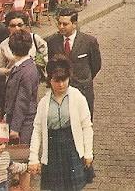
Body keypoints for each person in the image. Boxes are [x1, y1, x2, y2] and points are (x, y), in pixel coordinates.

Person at [28, 55, 94, 191]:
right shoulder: (44, 102)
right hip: (52, 149)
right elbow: (37, 130)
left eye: (64, 80)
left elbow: (86, 127)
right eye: (57, 81)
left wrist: (88, 153)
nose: (61, 85)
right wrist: (33, 157)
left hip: (72, 147)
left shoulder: (77, 97)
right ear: (50, 80)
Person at [46, 8, 102, 117]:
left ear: (74, 24)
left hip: (83, 90)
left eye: (65, 24)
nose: (61, 27)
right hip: (60, 92)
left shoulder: (89, 42)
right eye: (59, 23)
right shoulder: (51, 42)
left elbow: (96, 65)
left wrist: (84, 79)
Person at [0, 30, 40, 146]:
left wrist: (15, 128)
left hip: (24, 122)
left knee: (20, 156)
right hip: (17, 119)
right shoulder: (22, 67)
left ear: (11, 49)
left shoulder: (26, 71)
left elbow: (22, 102)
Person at [0, 10, 49, 77]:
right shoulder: (4, 45)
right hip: (13, 80)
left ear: (25, 25)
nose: (17, 28)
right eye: (13, 26)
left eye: (20, 25)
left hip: (32, 78)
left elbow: (45, 58)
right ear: (8, 27)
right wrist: (10, 71)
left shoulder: (35, 39)